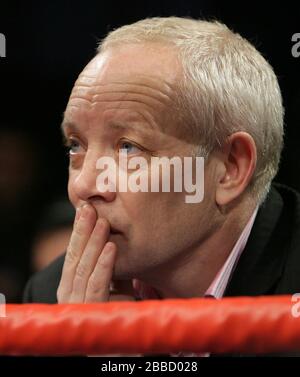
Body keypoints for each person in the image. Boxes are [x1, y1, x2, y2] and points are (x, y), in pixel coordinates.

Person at [24, 17, 300, 354]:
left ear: (230, 168)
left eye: (128, 148)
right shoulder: (53, 294)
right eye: (75, 146)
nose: (83, 186)